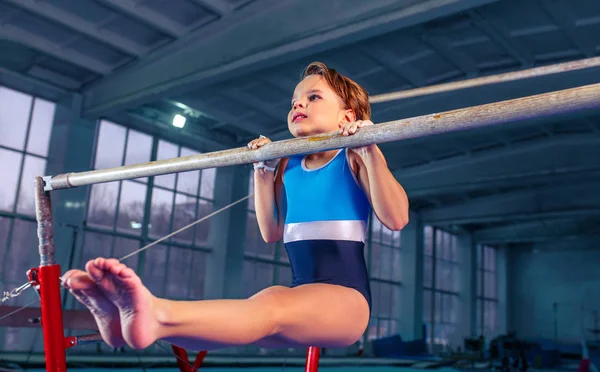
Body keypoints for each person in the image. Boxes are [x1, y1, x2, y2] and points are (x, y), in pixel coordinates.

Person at [61, 62, 409, 352]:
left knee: (271, 306)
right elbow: (271, 232)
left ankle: (155, 314)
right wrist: (262, 170)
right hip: (302, 294)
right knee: (260, 311)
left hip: (346, 301)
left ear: (348, 116)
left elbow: (396, 219)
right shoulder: (288, 164)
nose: (297, 105)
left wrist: (370, 147)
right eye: (294, 101)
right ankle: (132, 328)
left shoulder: (354, 155)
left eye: (313, 97)